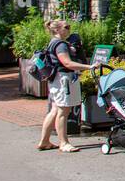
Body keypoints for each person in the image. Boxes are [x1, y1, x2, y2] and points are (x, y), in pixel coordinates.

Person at [37, 18, 96, 152]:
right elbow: (67, 63)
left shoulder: (53, 43)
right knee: (64, 111)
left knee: (55, 110)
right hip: (64, 79)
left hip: (56, 79)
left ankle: (44, 141)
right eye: (66, 27)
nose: (69, 29)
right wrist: (89, 66)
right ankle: (64, 143)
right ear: (57, 30)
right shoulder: (61, 45)